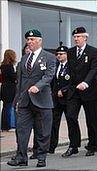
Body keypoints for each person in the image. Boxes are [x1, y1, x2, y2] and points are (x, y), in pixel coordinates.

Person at [7, 29, 56, 167]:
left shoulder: (49, 57)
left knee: (42, 131)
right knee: (21, 130)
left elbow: (49, 75)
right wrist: (17, 99)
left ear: (40, 41)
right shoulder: (24, 58)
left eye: (32, 39)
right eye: (28, 40)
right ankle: (21, 157)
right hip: (25, 101)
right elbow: (20, 81)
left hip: (42, 100)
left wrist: (38, 86)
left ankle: (41, 157)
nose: (29, 42)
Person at [62, 27, 97, 157]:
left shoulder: (93, 52)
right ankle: (74, 145)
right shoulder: (71, 52)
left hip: (89, 90)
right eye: (75, 37)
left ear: (85, 38)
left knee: (91, 119)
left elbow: (94, 69)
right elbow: (70, 70)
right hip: (74, 90)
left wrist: (86, 82)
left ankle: (93, 145)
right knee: (71, 116)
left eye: (78, 37)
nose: (76, 39)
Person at [48, 45, 70, 153]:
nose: (59, 56)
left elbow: (73, 81)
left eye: (61, 54)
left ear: (67, 55)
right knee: (54, 123)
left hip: (68, 99)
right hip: (55, 99)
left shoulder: (71, 66)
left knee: (71, 121)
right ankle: (51, 146)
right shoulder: (55, 66)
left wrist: (64, 90)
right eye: (57, 54)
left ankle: (73, 145)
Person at [0, 49, 17, 131]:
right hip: (10, 89)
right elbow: (13, 77)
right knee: (9, 107)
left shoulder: (2, 66)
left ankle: (4, 126)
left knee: (5, 107)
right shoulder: (9, 66)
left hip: (4, 88)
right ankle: (8, 125)